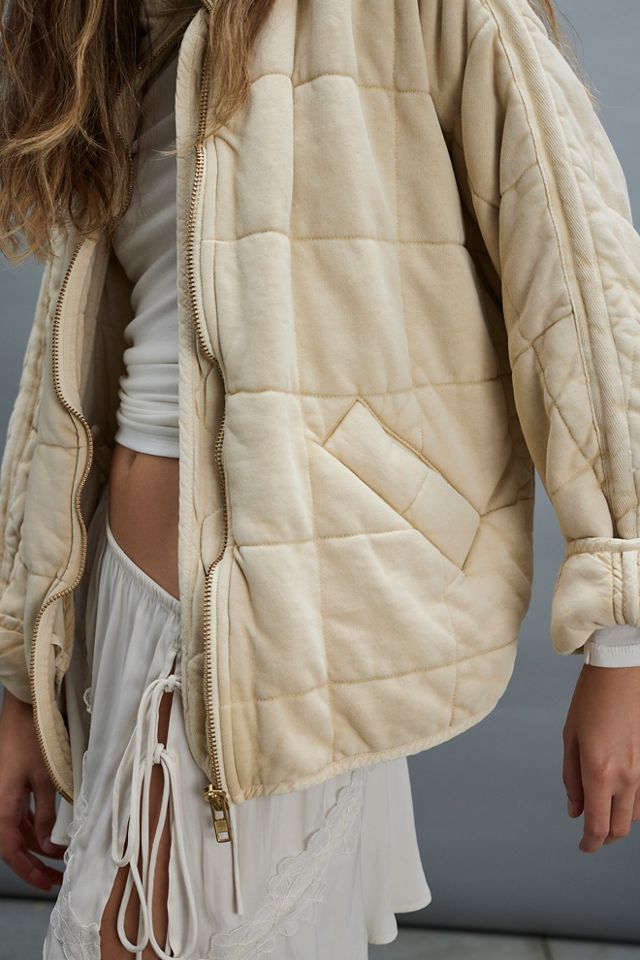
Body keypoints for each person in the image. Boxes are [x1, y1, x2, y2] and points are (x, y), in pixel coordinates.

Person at [0, 0, 639, 956]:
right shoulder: (117, 25)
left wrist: (621, 640)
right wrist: (22, 682)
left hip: (289, 622)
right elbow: (58, 386)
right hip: (115, 604)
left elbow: (580, 289)